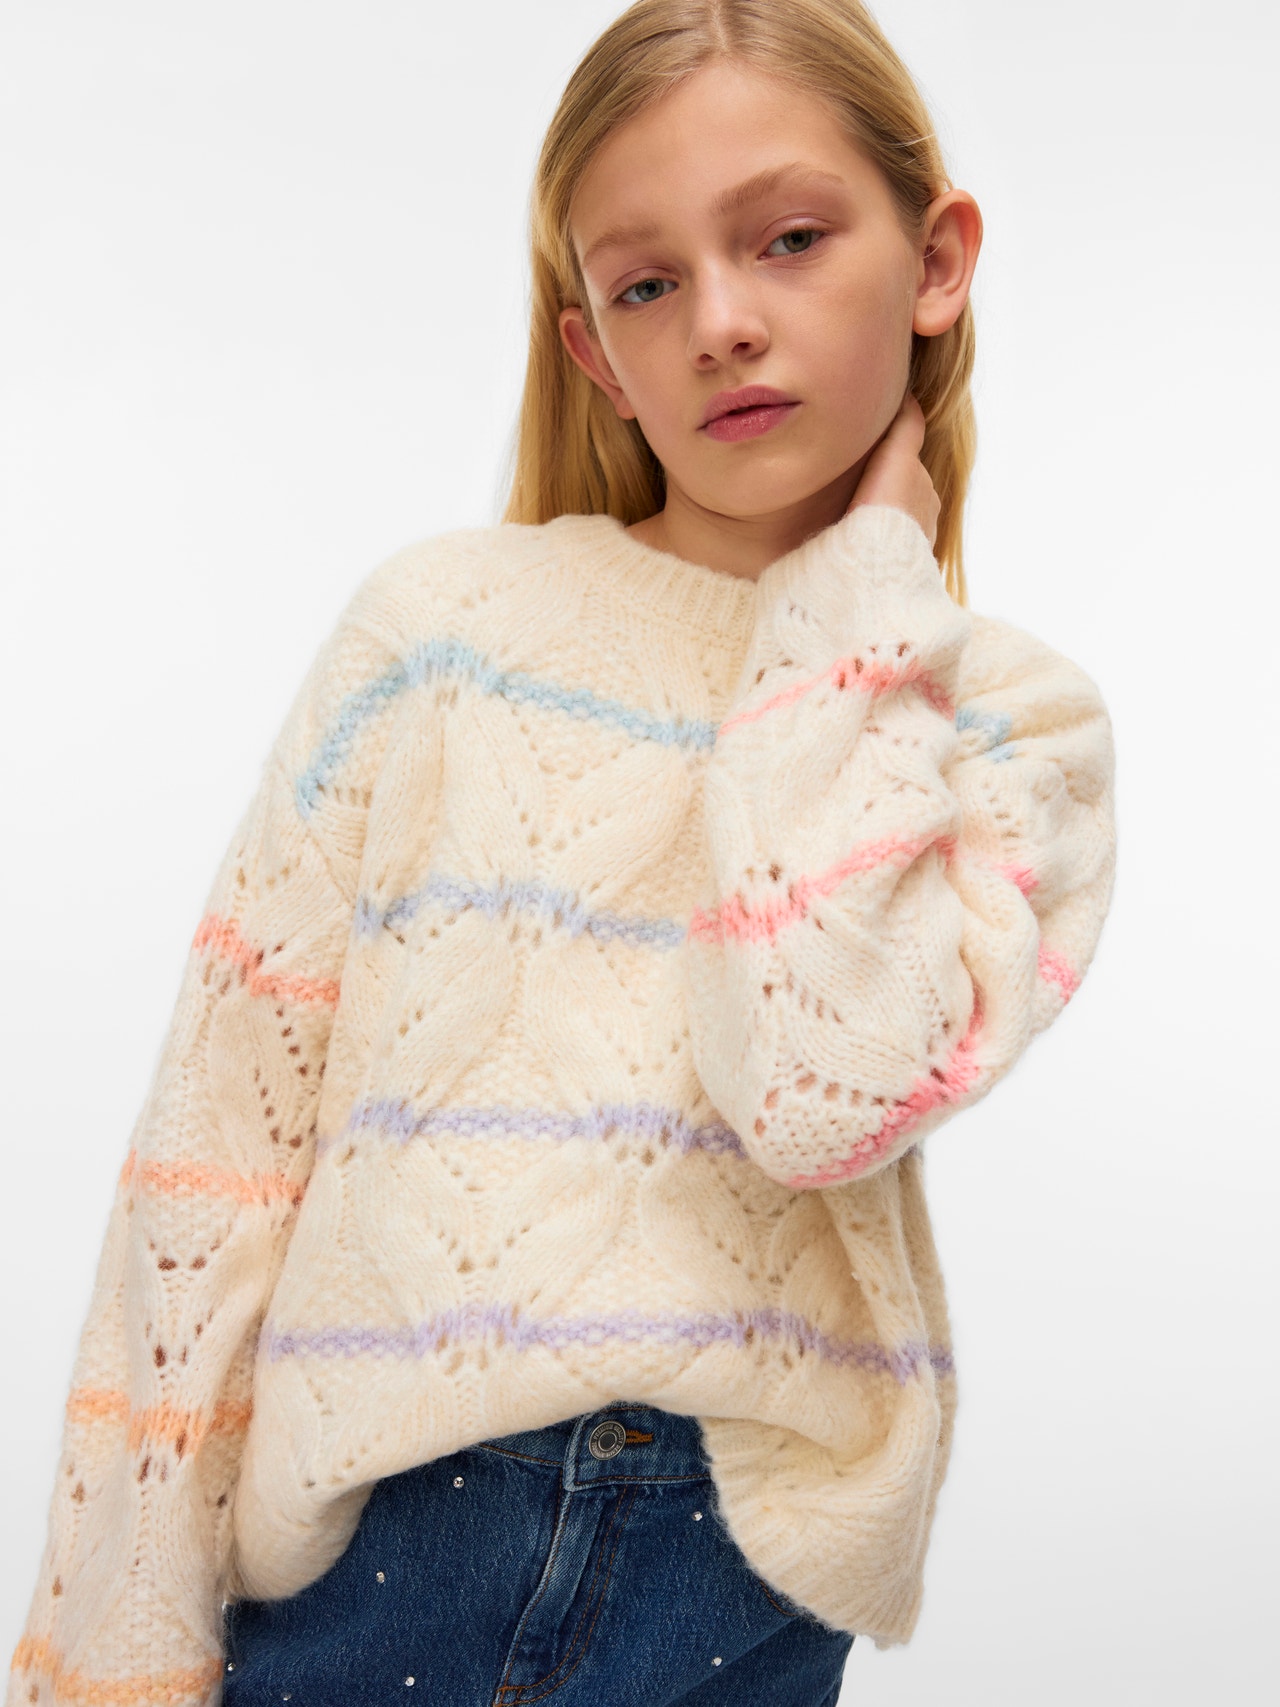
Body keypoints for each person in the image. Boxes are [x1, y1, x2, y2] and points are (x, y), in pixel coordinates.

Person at [7, 2, 1118, 1704]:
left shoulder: (1013, 728)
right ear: (596, 354)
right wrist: (117, 1652)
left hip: (743, 1565)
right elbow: (218, 1151)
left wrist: (861, 608)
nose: (723, 322)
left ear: (938, 259)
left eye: (790, 238)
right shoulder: (441, 633)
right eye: (649, 284)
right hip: (403, 1535)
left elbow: (818, 1089)